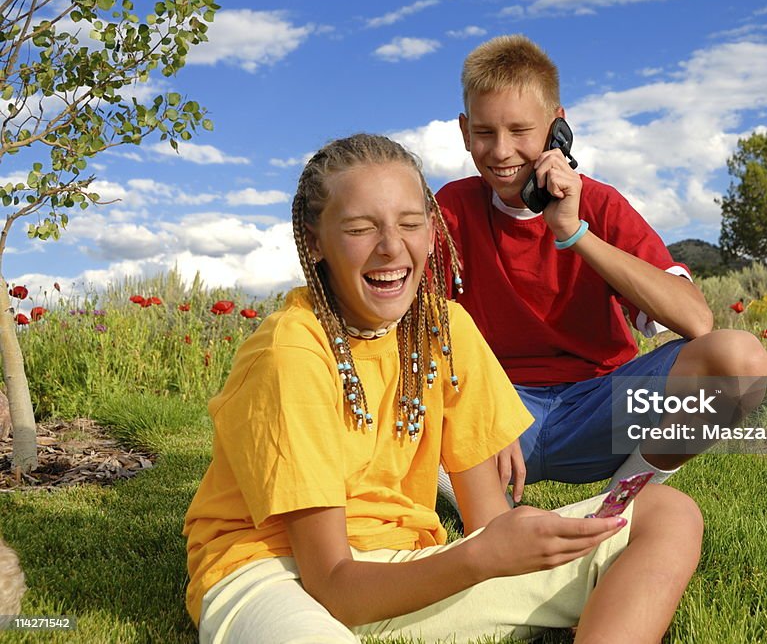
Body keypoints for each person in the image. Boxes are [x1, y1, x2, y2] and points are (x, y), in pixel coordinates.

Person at [183, 134, 704, 643]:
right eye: (361, 228)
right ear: (316, 240)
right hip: (277, 572)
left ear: (432, 231)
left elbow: (488, 529)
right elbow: (334, 587)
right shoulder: (290, 351)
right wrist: (479, 558)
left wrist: (509, 550)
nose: (392, 248)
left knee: (665, 513)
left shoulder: (446, 328)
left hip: (409, 568)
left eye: (410, 224)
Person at [436, 35, 767, 498]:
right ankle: (492, 514)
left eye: (520, 131)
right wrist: (482, 405)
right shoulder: (450, 208)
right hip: (499, 415)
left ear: (558, 128)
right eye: (485, 133)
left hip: (600, 410)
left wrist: (575, 234)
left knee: (738, 359)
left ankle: (621, 503)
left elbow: (697, 321)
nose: (500, 151)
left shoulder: (601, 204)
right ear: (464, 129)